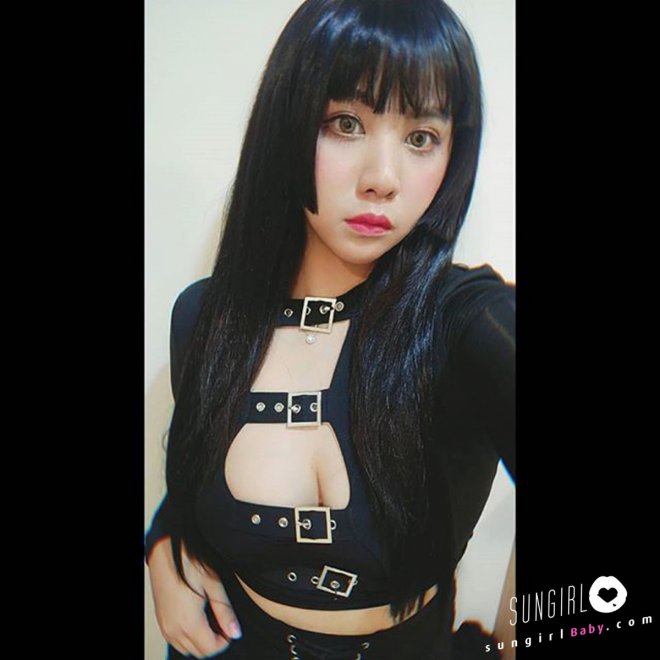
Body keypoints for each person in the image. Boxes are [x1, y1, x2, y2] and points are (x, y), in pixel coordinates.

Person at [145, 0, 515, 658]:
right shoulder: (205, 317)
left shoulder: (468, 322)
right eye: (346, 123)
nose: (382, 180)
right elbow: (189, 477)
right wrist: (162, 545)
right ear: (286, 127)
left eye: (421, 137)